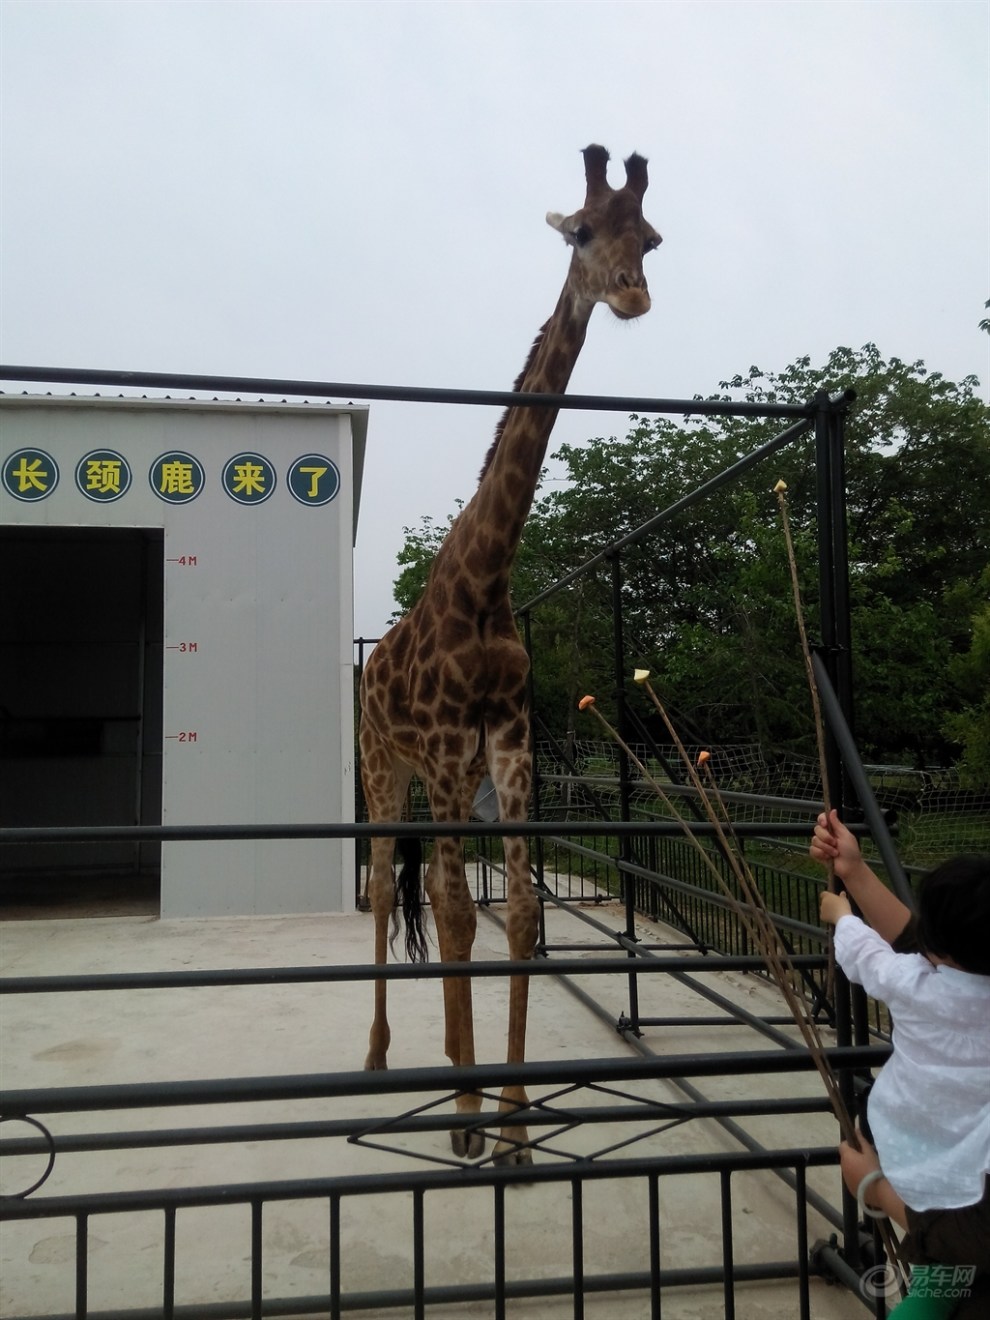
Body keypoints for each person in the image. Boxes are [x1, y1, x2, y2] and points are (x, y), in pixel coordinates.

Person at [811, 810, 990, 1318]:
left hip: (909, 1152)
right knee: (938, 1285)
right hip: (970, 1165)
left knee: (937, 1283)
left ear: (933, 943)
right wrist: (856, 870)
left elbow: (870, 955)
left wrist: (841, 915)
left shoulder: (915, 982)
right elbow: (910, 942)